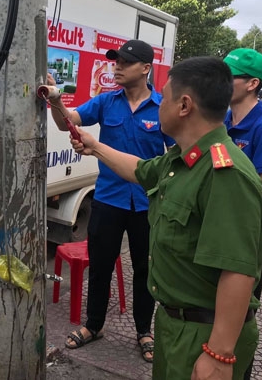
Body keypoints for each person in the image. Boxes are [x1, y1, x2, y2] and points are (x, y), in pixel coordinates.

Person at [69, 56, 262, 379]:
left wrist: (219, 354)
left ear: (184, 105)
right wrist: (94, 147)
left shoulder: (225, 173)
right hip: (176, 324)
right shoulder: (182, 159)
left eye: (165, 96)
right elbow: (138, 169)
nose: (158, 104)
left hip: (203, 333)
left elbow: (238, 271)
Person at [46, 39, 173, 362]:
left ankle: (144, 330)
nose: (116, 67)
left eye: (125, 62)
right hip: (108, 199)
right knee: (100, 266)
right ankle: (94, 325)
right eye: (115, 61)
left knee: (146, 270)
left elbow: (177, 152)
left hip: (146, 204)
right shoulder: (105, 102)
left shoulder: (162, 109)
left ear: (145, 68)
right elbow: (68, 122)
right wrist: (57, 102)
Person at [223, 48, 262, 379]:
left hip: (246, 247)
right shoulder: (220, 120)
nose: (221, 81)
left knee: (236, 328)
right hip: (215, 240)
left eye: (228, 76)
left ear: (251, 84)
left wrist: (224, 202)